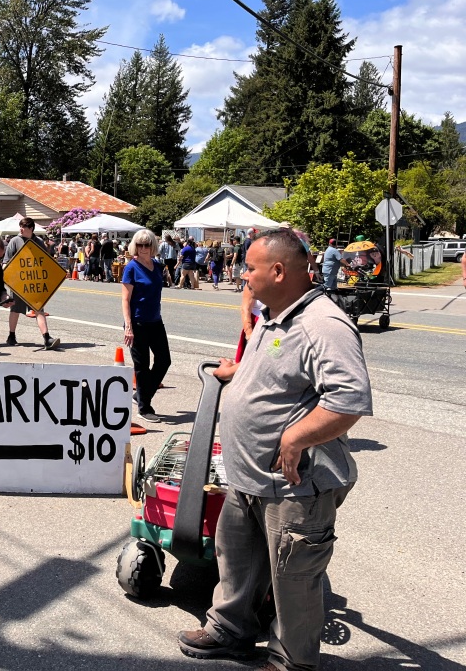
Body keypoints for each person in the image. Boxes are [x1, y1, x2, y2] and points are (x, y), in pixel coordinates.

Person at [178, 228, 372, 671]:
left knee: (293, 579)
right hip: (251, 476)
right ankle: (231, 628)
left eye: (249, 267)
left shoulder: (323, 323)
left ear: (279, 270)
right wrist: (240, 374)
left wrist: (294, 437)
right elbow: (281, 372)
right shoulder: (277, 313)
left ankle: (292, 660)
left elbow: (349, 400)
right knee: (237, 557)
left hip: (294, 486)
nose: (242, 275)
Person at [120, 228, 171, 423]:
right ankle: (145, 407)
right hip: (137, 322)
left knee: (164, 360)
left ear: (153, 246)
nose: (143, 248)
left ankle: (141, 395)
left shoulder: (157, 266)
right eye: (139, 244)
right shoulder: (131, 268)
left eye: (146, 244)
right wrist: (128, 326)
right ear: (135, 246)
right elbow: (125, 299)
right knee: (142, 366)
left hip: (155, 321)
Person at [2, 217, 60, 350]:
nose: (21, 229)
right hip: (18, 283)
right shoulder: (15, 241)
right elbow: (6, 261)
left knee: (39, 309)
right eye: (20, 227)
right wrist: (7, 275)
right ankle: (11, 335)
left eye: (23, 227)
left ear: (31, 229)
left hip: (35, 283)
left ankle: (47, 338)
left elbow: (45, 262)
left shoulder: (38, 242)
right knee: (15, 309)